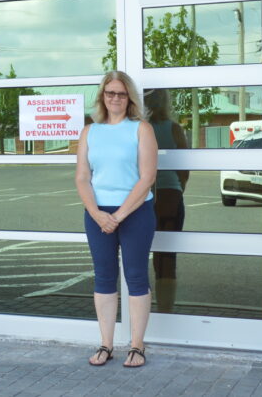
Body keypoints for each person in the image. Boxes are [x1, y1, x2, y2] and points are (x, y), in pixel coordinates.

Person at [75, 70, 158, 368]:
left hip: (135, 213)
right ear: (102, 97)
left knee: (135, 276)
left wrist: (118, 216)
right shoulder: (90, 132)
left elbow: (147, 177)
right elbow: (83, 178)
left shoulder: (141, 129)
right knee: (104, 277)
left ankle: (137, 346)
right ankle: (106, 344)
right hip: (98, 215)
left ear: (129, 98)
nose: (115, 98)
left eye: (121, 94)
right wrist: (98, 215)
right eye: (109, 93)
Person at [144, 88, 189, 314]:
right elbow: (184, 167)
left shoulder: (141, 128)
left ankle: (142, 306)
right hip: (171, 195)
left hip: (144, 196)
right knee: (168, 255)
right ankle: (165, 307)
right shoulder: (174, 129)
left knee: (144, 253)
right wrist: (179, 189)